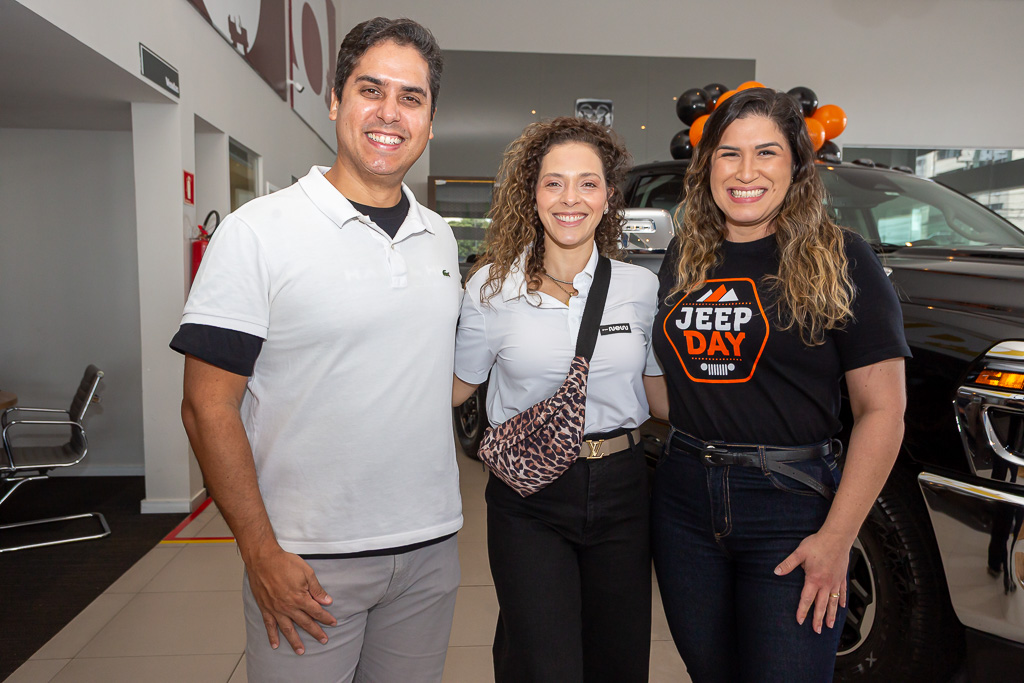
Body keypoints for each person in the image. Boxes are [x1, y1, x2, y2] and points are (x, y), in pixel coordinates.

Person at [171, 18, 463, 683]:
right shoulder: (257, 232)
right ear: (335, 101)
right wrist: (259, 550)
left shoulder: (440, 237)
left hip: (429, 549)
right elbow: (206, 407)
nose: (389, 113)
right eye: (370, 90)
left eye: (411, 98)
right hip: (306, 558)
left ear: (430, 121)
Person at [649, 87, 911, 682]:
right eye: (729, 153)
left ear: (797, 165)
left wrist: (838, 538)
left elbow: (882, 411)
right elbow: (670, 387)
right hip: (684, 500)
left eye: (766, 152)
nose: (746, 172)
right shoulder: (686, 257)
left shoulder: (843, 258)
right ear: (707, 165)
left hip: (790, 506)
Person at [452, 117, 662, 682]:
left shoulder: (640, 288)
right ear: (533, 194)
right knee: (542, 660)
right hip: (529, 495)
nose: (571, 198)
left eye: (587, 183)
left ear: (608, 197)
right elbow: (457, 386)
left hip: (623, 488)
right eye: (554, 183)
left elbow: (656, 391)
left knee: (618, 659)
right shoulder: (491, 288)